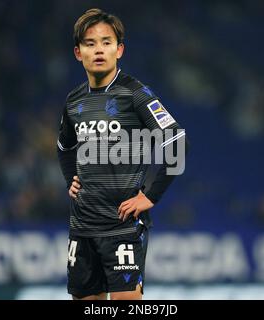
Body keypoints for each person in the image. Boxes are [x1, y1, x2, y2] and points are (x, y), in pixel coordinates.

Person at [57, 8, 189, 300]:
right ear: (78, 53)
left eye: (106, 42)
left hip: (122, 227)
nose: (99, 50)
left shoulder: (135, 94)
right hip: (82, 227)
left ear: (120, 49)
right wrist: (71, 179)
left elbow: (177, 141)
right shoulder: (74, 101)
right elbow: (64, 147)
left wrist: (150, 196)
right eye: (90, 44)